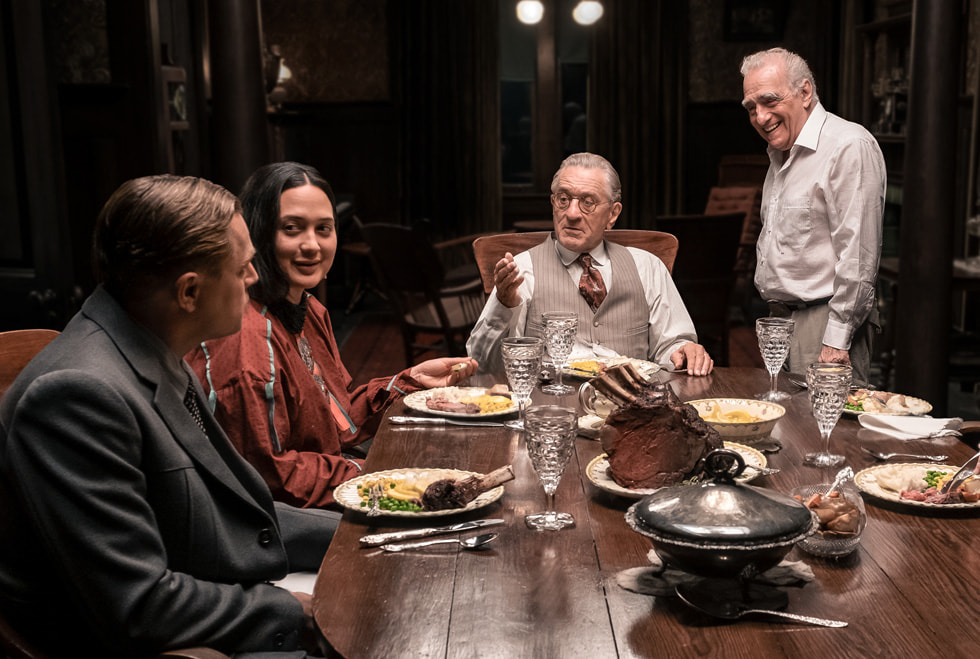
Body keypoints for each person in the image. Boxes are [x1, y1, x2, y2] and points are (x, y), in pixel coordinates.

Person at [0, 175, 334, 657]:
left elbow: (241, 511)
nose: (255, 279)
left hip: (210, 597)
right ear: (189, 294)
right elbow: (142, 608)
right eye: (242, 269)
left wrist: (366, 529)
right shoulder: (77, 395)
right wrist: (293, 612)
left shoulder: (151, 344)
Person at [186, 162, 477, 510]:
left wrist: (409, 381)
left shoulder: (308, 309)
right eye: (291, 228)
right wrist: (377, 475)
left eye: (323, 228)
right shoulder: (247, 342)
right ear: (258, 234)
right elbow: (270, 479)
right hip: (280, 523)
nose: (312, 245)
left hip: (326, 485)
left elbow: (335, 422)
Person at [467, 152, 713, 376]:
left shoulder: (647, 267)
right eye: (563, 199)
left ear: (613, 214)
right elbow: (481, 364)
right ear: (553, 203)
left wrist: (685, 351)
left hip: (634, 412)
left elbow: (672, 346)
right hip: (551, 413)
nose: (572, 213)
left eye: (588, 202)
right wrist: (504, 305)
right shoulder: (521, 271)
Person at [740, 47, 885, 384]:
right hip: (782, 322)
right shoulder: (780, 154)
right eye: (751, 108)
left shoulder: (848, 145)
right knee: (787, 433)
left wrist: (836, 339)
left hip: (825, 325)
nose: (761, 116)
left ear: (805, 92)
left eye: (769, 101)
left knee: (830, 435)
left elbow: (859, 255)